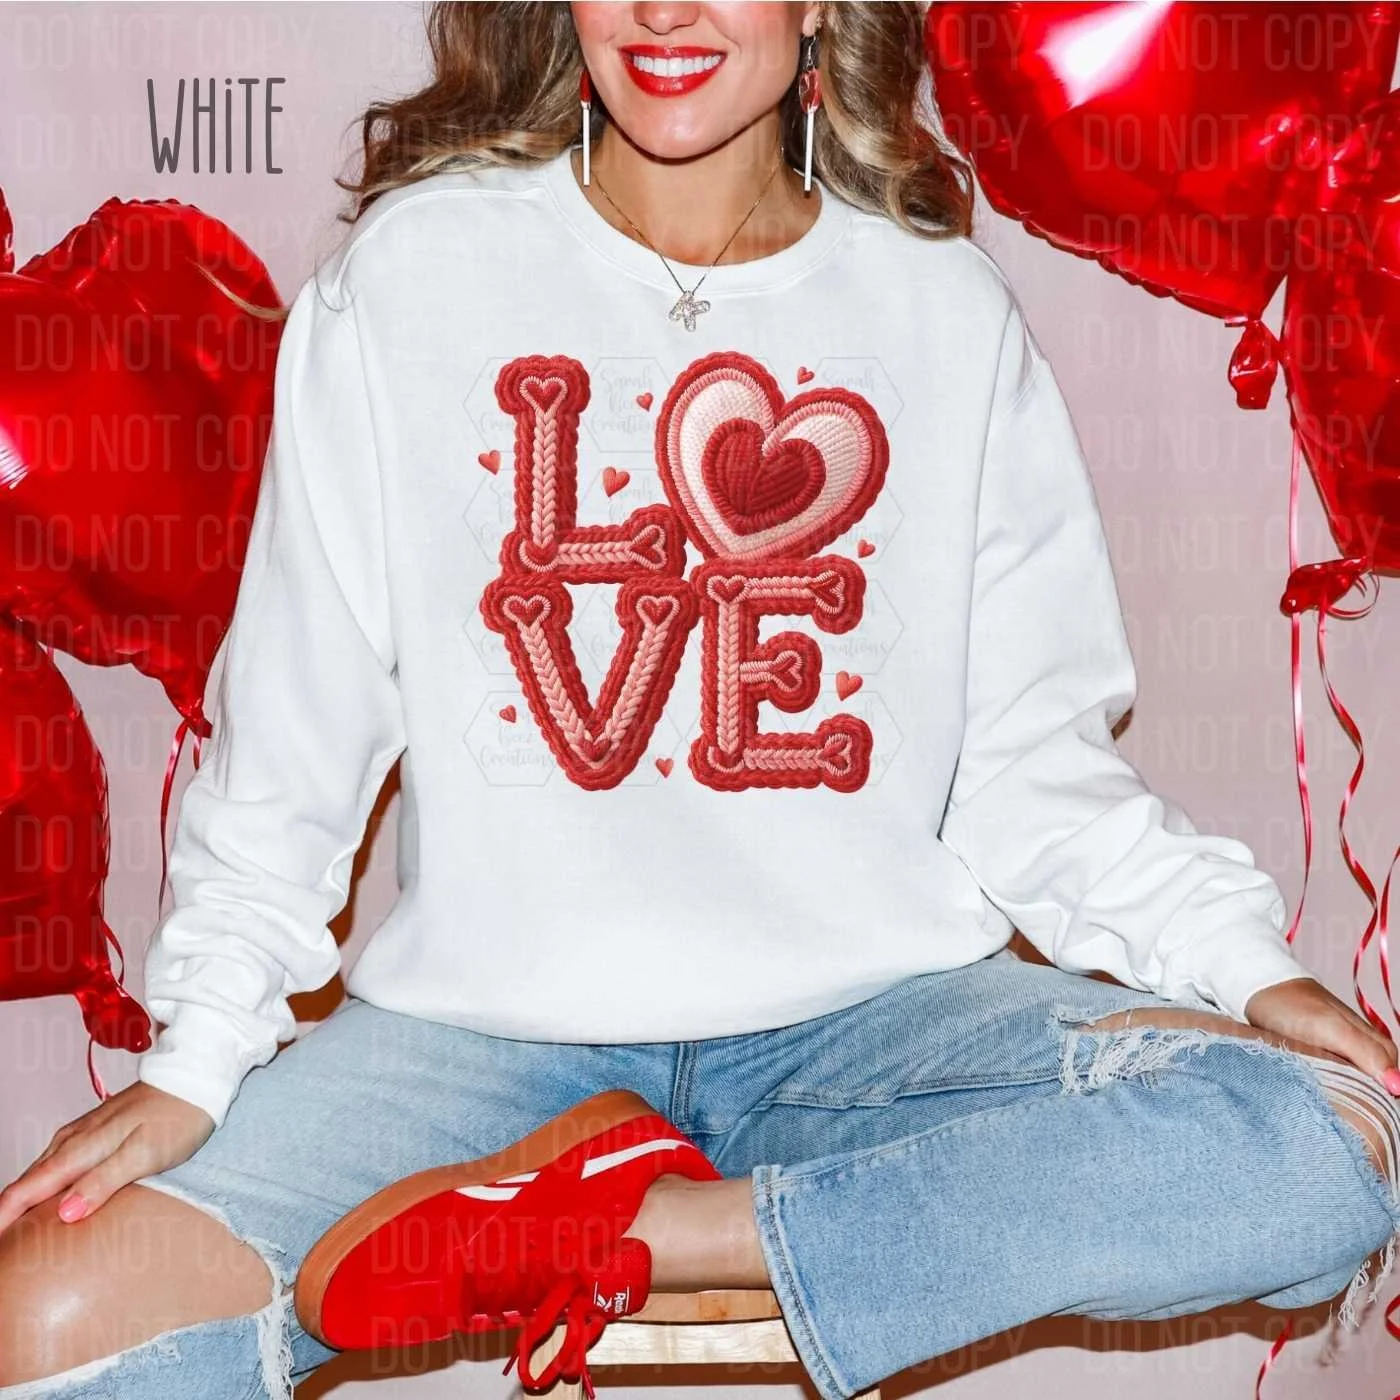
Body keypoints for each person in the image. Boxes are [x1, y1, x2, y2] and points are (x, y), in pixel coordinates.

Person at [3, 4, 1400, 1398]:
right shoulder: (414, 276)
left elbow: (1035, 772)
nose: (666, 11)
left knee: (1323, 1145)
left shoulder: (943, 311)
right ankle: (641, 1208)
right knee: (49, 1319)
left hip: (870, 1033)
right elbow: (292, 740)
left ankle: (653, 1226)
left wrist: (1247, 965)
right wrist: (196, 1060)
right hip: (480, 1052)